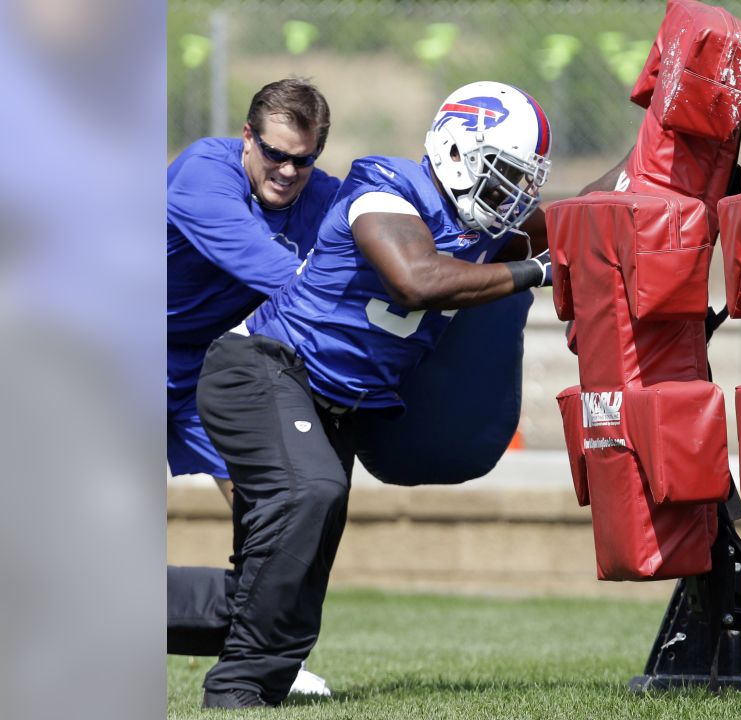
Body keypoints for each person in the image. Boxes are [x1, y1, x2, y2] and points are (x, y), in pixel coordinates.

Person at [189, 80, 557, 709]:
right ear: (456, 153)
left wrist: (659, 154)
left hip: (326, 403)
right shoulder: (384, 190)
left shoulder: (474, 232)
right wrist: (539, 270)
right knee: (314, 492)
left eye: (520, 182)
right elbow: (416, 280)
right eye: (500, 177)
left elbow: (590, 212)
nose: (509, 197)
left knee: (294, 584)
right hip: (259, 369)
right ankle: (234, 687)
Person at [166, 78, 339, 696]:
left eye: (305, 159)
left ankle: (266, 658)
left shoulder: (323, 197)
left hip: (208, 363)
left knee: (276, 503)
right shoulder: (203, 175)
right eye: (275, 154)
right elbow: (269, 267)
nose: (290, 171)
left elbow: (369, 246)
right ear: (246, 138)